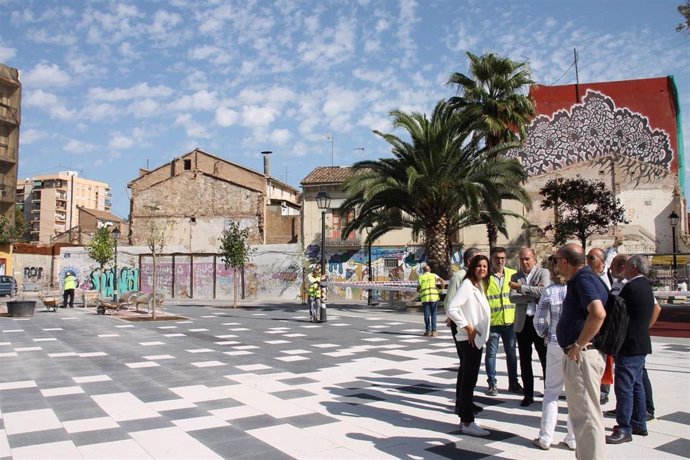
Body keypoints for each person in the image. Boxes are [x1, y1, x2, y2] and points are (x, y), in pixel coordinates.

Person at [555, 243, 608, 460]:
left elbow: (598, 313)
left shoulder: (582, 280)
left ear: (565, 262)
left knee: (586, 417)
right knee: (585, 416)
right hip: (584, 354)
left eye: (556, 260)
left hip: (582, 356)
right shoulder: (590, 277)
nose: (555, 265)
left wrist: (577, 345)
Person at [606, 255, 661, 444]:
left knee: (625, 388)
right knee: (637, 385)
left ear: (634, 268)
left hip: (629, 345)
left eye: (627, 266)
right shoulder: (645, 285)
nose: (624, 269)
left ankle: (624, 427)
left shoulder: (631, 287)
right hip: (641, 342)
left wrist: (618, 282)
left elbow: (613, 306)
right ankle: (639, 422)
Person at [532, 256, 576, 451]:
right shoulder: (576, 290)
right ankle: (572, 437)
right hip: (575, 345)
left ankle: (545, 436)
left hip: (555, 343)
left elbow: (539, 320)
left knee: (551, 392)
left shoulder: (549, 292)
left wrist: (546, 334)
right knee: (575, 393)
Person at [446, 255, 491, 437]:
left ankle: (467, 417)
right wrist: (468, 326)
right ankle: (467, 422)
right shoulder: (466, 285)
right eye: (479, 266)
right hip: (469, 339)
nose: (482, 269)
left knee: (469, 380)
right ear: (472, 267)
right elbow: (452, 308)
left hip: (476, 339)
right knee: (468, 382)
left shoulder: (477, 286)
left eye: (485, 266)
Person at [509, 248, 549, 406]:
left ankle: (548, 393)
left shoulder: (543, 273)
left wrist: (521, 288)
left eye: (527, 259)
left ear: (534, 259)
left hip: (540, 323)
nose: (524, 262)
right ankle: (528, 394)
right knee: (525, 361)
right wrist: (533, 295)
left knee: (545, 360)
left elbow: (544, 291)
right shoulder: (515, 276)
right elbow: (512, 298)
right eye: (521, 259)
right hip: (522, 323)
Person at [445, 247, 481, 417]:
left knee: (471, 366)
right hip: (463, 327)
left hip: (474, 326)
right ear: (469, 262)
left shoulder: (476, 278)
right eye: (478, 260)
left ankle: (467, 400)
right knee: (466, 364)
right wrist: (458, 322)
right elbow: (450, 302)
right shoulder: (460, 277)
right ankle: (461, 403)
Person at [484, 247, 521, 397]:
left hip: (510, 321)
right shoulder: (485, 277)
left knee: (511, 354)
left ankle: (513, 382)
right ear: (491, 259)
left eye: (502, 258)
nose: (500, 261)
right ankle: (492, 383)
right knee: (491, 354)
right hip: (492, 322)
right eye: (496, 258)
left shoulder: (513, 274)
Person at [418, 265, 442, 336]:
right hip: (434, 297)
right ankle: (434, 331)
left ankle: (427, 331)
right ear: (430, 269)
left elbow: (418, 288)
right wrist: (441, 289)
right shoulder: (434, 275)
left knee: (426, 315)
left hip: (425, 298)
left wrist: (419, 291)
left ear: (423, 271)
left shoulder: (421, 277)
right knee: (433, 314)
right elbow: (442, 281)